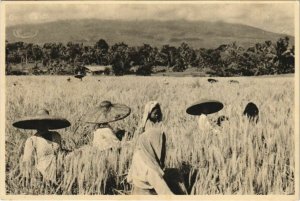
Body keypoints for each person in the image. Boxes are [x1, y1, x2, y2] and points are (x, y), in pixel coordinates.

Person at [12, 109, 71, 183]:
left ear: (49, 124)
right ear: (35, 125)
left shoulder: (56, 136)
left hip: (60, 178)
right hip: (42, 179)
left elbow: (60, 153)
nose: (41, 126)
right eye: (39, 124)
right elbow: (27, 163)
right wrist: (38, 178)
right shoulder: (32, 140)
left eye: (44, 123)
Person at [127, 128, 174, 195]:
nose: (163, 148)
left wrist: (140, 182)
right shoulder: (151, 169)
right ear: (153, 145)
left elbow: (129, 179)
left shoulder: (138, 154)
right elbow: (166, 194)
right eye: (161, 144)